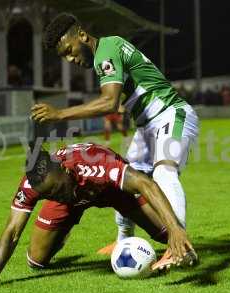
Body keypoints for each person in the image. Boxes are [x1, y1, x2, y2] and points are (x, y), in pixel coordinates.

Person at [31, 13, 199, 259]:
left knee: (165, 171)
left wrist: (59, 114)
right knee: (124, 180)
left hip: (172, 114)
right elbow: (123, 96)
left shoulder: (106, 51)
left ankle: (179, 245)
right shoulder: (107, 51)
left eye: (69, 50)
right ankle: (124, 241)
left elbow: (109, 102)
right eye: (64, 57)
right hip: (148, 126)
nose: (70, 59)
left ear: (82, 35)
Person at [0, 143, 197, 289]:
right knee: (36, 261)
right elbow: (11, 232)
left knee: (167, 235)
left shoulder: (96, 163)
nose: (55, 195)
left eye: (56, 189)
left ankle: (179, 242)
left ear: (65, 171)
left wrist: (176, 229)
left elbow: (146, 183)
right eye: (48, 195)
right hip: (72, 203)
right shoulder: (33, 186)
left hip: (112, 191)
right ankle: (62, 233)